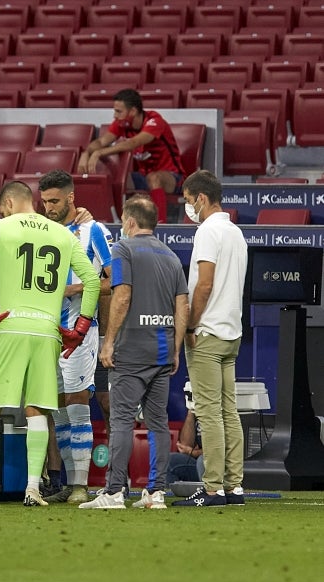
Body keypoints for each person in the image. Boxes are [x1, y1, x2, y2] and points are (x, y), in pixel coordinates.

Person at [0, 180, 101, 507]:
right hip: (48, 330)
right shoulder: (63, 234)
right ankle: (33, 488)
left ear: (9, 203)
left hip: (10, 327)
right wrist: (79, 328)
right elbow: (93, 280)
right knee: (37, 408)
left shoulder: (1, 228)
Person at [80, 195, 188, 509]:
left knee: (124, 419)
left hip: (132, 348)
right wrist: (177, 348)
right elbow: (182, 304)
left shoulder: (123, 249)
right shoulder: (169, 255)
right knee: (157, 421)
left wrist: (109, 341)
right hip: (163, 348)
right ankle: (155, 493)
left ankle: (114, 492)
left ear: (128, 221)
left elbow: (122, 295)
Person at [38, 170, 114, 505]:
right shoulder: (41, 232)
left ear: (71, 197)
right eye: (44, 202)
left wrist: (77, 287)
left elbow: (115, 281)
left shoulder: (93, 230)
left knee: (77, 403)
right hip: (46, 331)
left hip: (81, 331)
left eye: (54, 201)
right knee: (57, 409)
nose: (48, 208)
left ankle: (82, 483)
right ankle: (70, 482)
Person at [174, 170, 248, 508]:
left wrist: (189, 325)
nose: (188, 208)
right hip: (231, 331)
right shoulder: (236, 232)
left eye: (189, 201)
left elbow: (203, 285)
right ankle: (234, 488)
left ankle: (213, 488)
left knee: (209, 412)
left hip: (207, 332)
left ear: (201, 198)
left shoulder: (208, 231)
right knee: (228, 412)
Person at [77, 88, 184, 223]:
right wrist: (86, 153)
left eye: (119, 111)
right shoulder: (122, 124)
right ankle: (113, 220)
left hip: (174, 178)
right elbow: (101, 141)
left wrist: (99, 153)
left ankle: (160, 225)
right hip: (142, 176)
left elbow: (134, 142)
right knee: (115, 179)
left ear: (132, 111)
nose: (115, 116)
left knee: (154, 177)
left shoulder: (154, 121)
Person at [168, 382, 205, 485]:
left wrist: (194, 453)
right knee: (169, 460)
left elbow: (219, 449)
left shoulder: (219, 409)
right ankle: (168, 497)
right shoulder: (197, 410)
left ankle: (211, 494)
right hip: (198, 464)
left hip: (220, 466)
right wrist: (191, 409)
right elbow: (185, 445)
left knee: (203, 460)